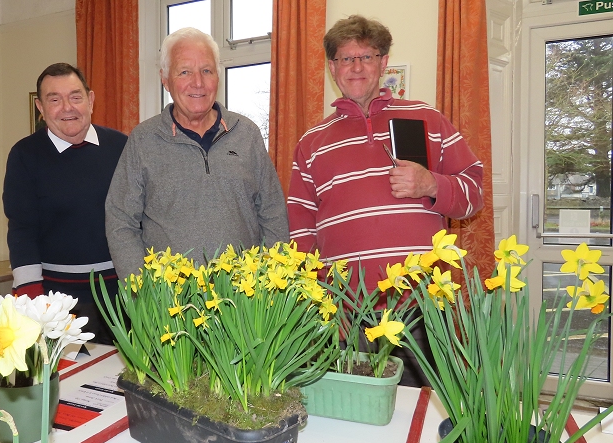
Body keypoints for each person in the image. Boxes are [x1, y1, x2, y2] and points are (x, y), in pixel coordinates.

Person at [287, 15, 484, 386]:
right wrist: (323, 302)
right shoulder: (311, 143)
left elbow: (474, 194)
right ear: (332, 68)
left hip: (420, 308)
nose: (357, 67)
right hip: (347, 313)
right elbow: (301, 232)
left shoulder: (428, 119)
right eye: (346, 58)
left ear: (383, 62)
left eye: (367, 56)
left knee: (425, 411)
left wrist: (431, 183)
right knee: (354, 414)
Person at [105, 27, 288, 279]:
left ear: (218, 76)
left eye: (206, 70)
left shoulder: (247, 134)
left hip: (244, 305)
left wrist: (270, 283)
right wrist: (142, 291)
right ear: (165, 79)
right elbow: (120, 220)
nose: (198, 83)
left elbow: (273, 213)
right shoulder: (143, 141)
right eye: (184, 72)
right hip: (169, 304)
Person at [3, 63, 128, 344]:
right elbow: (21, 228)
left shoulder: (122, 147)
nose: (67, 108)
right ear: (40, 107)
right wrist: (32, 299)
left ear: (91, 100)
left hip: (121, 296)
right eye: (54, 100)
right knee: (65, 383)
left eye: (75, 97)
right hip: (55, 301)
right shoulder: (24, 155)